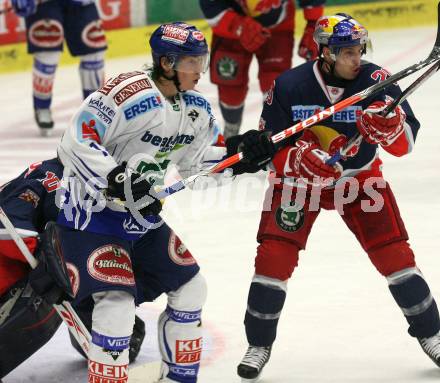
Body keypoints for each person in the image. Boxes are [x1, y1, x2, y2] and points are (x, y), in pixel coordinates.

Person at [54, 21, 274, 383]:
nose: (199, 71)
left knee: (191, 288)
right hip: (89, 216)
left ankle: (179, 378)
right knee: (116, 305)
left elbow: (198, 163)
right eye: (191, 62)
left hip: (139, 220)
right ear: (167, 63)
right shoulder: (127, 91)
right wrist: (117, 179)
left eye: (201, 61)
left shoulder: (197, 108)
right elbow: (77, 139)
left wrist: (241, 156)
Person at [230, 13, 440, 381]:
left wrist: (390, 130)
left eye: (359, 49)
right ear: (324, 52)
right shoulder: (289, 86)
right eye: (346, 52)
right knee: (273, 259)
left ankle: (432, 334)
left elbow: (405, 145)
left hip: (359, 182)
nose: (356, 58)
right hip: (299, 185)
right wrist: (293, 160)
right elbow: (267, 148)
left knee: (396, 256)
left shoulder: (377, 81)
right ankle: (259, 343)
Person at [0, 158, 145, 379]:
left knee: (62, 272)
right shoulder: (49, 176)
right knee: (55, 270)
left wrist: (105, 332)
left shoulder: (99, 182)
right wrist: (48, 253)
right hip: (7, 279)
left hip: (28, 283)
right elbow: (6, 228)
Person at [199, 0, 326, 139]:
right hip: (230, 30)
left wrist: (313, 24)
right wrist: (238, 25)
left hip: (278, 27)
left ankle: (273, 138)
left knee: (275, 85)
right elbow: (210, 4)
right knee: (231, 93)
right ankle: (231, 132)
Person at [10, 0, 107, 136]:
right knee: (48, 52)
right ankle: (42, 106)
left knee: (94, 54)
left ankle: (96, 110)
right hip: (45, 4)